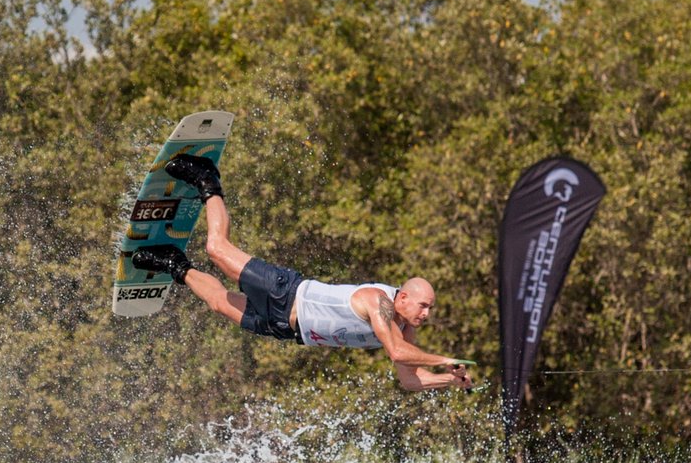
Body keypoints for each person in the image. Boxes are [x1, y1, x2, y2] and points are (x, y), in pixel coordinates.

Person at [131, 155, 474, 392]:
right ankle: (207, 179)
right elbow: (397, 354)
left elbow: (409, 380)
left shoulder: (403, 329)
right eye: (423, 305)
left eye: (429, 309)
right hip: (288, 292)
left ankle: (174, 263)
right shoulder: (378, 301)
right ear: (403, 297)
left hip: (287, 328)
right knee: (217, 249)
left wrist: (448, 380)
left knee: (220, 303)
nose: (425, 314)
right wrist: (447, 359)